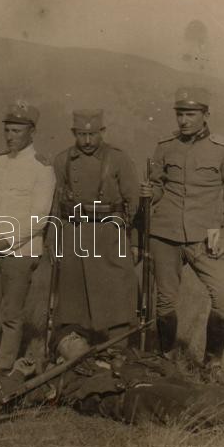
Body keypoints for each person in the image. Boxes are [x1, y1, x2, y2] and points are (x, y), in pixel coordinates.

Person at [0, 327, 224, 443]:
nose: (77, 339)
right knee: (205, 407)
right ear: (56, 356)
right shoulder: (58, 378)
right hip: (134, 397)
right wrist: (17, 375)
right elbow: (7, 400)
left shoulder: (116, 351)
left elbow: (160, 362)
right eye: (67, 339)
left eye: (78, 334)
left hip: (159, 381)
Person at [140, 87, 224, 382]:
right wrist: (151, 191)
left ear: (206, 115)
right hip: (166, 233)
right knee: (165, 301)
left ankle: (212, 365)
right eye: (180, 114)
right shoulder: (165, 146)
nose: (184, 121)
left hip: (206, 236)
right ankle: (167, 358)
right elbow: (158, 186)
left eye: (190, 114)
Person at [0, 103, 57, 376]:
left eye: (17, 131)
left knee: (11, 314)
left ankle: (3, 367)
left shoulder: (42, 168)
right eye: (7, 130)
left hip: (20, 250)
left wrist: (4, 241)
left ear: (32, 132)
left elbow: (39, 217)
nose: (10, 136)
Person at [51, 109, 139, 347]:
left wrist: (131, 241)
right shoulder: (63, 161)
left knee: (117, 294)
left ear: (102, 132)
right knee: (73, 299)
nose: (87, 141)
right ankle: (76, 350)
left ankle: (117, 349)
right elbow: (55, 206)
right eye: (81, 134)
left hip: (109, 236)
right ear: (73, 133)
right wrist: (56, 242)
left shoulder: (118, 159)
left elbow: (134, 202)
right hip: (75, 235)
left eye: (92, 134)